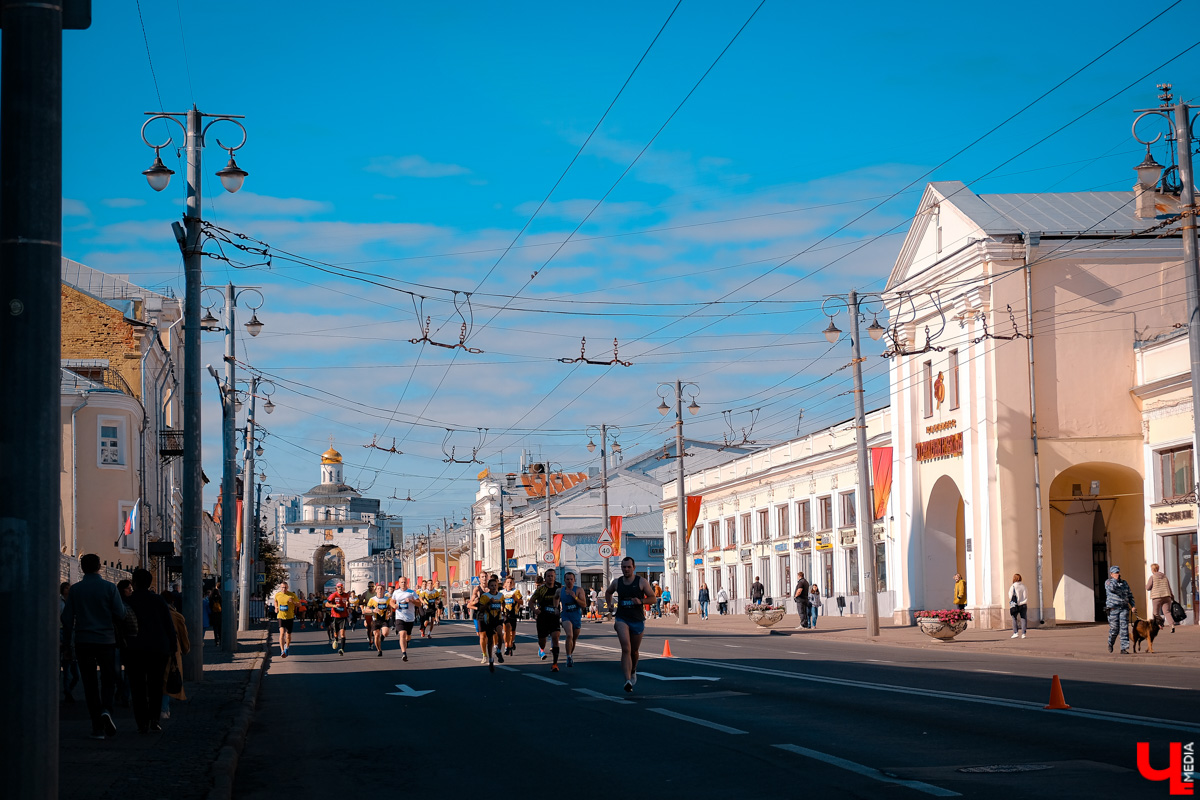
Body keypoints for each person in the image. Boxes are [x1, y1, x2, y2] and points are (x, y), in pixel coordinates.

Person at [61, 554, 128, 739]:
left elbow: (67, 619)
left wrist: (67, 645)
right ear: (100, 567)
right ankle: (106, 709)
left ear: (81, 568)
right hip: (106, 640)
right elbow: (121, 614)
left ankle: (97, 727)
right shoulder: (109, 587)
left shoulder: (75, 590)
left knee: (89, 683)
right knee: (108, 679)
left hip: (83, 641)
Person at [123, 568, 177, 734]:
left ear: (135, 582)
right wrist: (173, 648)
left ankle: (142, 723)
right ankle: (154, 719)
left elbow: (122, 624)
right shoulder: (159, 600)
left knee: (137, 687)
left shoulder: (128, 601)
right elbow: (169, 625)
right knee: (156, 685)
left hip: (135, 649)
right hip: (158, 649)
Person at [605, 557, 653, 692]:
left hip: (637, 620)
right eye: (624, 567)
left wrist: (641, 601)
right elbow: (608, 592)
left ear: (634, 567)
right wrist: (609, 605)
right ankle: (627, 681)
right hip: (622, 618)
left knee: (634, 651)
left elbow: (653, 598)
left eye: (628, 567)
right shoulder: (617, 582)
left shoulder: (641, 582)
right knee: (626, 648)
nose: (626, 569)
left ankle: (633, 670)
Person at [162, 592, 190, 719]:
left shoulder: (154, 613)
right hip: (172, 650)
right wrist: (186, 649)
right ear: (172, 602)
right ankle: (164, 709)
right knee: (167, 679)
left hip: (154, 649)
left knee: (159, 679)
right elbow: (183, 636)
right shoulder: (176, 616)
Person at [531, 569, 563, 671]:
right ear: (545, 578)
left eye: (552, 576)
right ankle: (541, 649)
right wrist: (535, 610)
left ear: (555, 577)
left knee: (555, 637)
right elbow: (531, 602)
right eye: (548, 576)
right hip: (543, 617)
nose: (550, 578)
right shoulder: (541, 589)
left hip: (554, 617)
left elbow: (564, 598)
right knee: (542, 640)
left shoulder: (559, 587)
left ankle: (555, 664)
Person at [389, 577, 423, 662]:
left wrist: (411, 600)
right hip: (400, 617)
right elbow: (391, 601)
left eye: (404, 582)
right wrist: (394, 606)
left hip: (410, 618)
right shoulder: (396, 592)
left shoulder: (412, 592)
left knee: (408, 637)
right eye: (401, 582)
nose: (403, 584)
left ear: (407, 583)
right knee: (402, 634)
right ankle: (404, 653)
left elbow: (419, 604)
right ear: (399, 584)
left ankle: (407, 642)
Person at [475, 575, 505, 672]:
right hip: (488, 619)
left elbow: (503, 603)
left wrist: (503, 610)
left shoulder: (500, 595)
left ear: (497, 586)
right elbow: (480, 608)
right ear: (488, 587)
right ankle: (491, 659)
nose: (493, 587)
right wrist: (488, 603)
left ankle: (499, 651)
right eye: (491, 585)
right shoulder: (485, 596)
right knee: (490, 641)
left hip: (498, 618)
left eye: (495, 585)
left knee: (500, 634)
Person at [1105, 565, 1135, 654]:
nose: (1117, 574)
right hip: (1113, 609)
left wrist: (1133, 606)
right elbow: (1112, 589)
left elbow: (1130, 595)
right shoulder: (1108, 582)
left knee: (1124, 628)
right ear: (1111, 574)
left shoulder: (1124, 583)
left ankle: (1124, 648)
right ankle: (1110, 642)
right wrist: (1115, 580)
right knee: (1114, 629)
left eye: (1118, 572)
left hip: (1124, 608)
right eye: (1115, 573)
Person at [560, 572, 587, 667]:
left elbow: (584, 605)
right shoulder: (561, 591)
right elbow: (555, 598)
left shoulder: (579, 590)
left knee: (574, 639)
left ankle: (570, 655)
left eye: (571, 579)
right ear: (564, 580)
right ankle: (568, 656)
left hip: (576, 616)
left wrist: (574, 597)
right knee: (569, 635)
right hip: (566, 615)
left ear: (574, 580)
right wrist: (555, 608)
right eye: (567, 579)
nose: (569, 581)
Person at [1147, 563, 1176, 633]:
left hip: (1156, 596)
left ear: (1153, 569)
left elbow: (1148, 588)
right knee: (1167, 612)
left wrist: (1146, 585)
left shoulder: (1152, 577)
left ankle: (1159, 625)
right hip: (1166, 596)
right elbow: (1169, 587)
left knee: (1156, 613)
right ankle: (1172, 625)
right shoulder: (1165, 576)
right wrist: (1172, 595)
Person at [273, 582, 300, 658]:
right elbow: (275, 601)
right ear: (280, 588)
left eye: (285, 587)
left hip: (290, 617)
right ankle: (282, 651)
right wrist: (276, 607)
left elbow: (299, 604)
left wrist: (293, 602)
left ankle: (287, 647)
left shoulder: (292, 595)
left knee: (288, 635)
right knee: (281, 633)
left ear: (287, 587)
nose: (284, 589)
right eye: (282, 587)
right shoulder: (278, 595)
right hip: (281, 616)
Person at [326, 581, 351, 655]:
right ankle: (336, 639)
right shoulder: (333, 595)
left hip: (343, 616)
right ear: (336, 588)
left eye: (341, 587)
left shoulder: (346, 595)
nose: (340, 589)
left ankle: (342, 649)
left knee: (342, 634)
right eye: (339, 587)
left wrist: (348, 605)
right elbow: (326, 604)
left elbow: (348, 603)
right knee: (336, 634)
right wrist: (334, 606)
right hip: (335, 616)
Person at [366, 583, 392, 656]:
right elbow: (366, 609)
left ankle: (383, 636)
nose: (380, 590)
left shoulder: (387, 599)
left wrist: (390, 613)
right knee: (376, 635)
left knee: (385, 633)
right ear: (376, 590)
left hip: (384, 619)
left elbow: (390, 607)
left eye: (381, 588)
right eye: (378, 589)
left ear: (384, 590)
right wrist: (372, 610)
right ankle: (379, 650)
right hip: (375, 620)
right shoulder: (372, 599)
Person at [501, 575, 523, 656]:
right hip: (505, 614)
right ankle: (507, 646)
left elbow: (522, 602)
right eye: (508, 582)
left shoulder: (516, 592)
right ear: (505, 584)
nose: (509, 584)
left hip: (513, 613)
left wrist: (515, 599)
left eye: (511, 582)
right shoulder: (501, 592)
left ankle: (512, 642)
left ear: (513, 584)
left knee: (512, 632)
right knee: (506, 630)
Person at [1008, 573, 1028, 639]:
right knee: (1023, 618)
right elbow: (1026, 596)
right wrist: (1023, 601)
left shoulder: (1013, 586)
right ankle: (1023, 634)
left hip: (1015, 605)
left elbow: (1010, 596)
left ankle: (1015, 632)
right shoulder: (1024, 586)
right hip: (1023, 604)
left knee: (1014, 618)